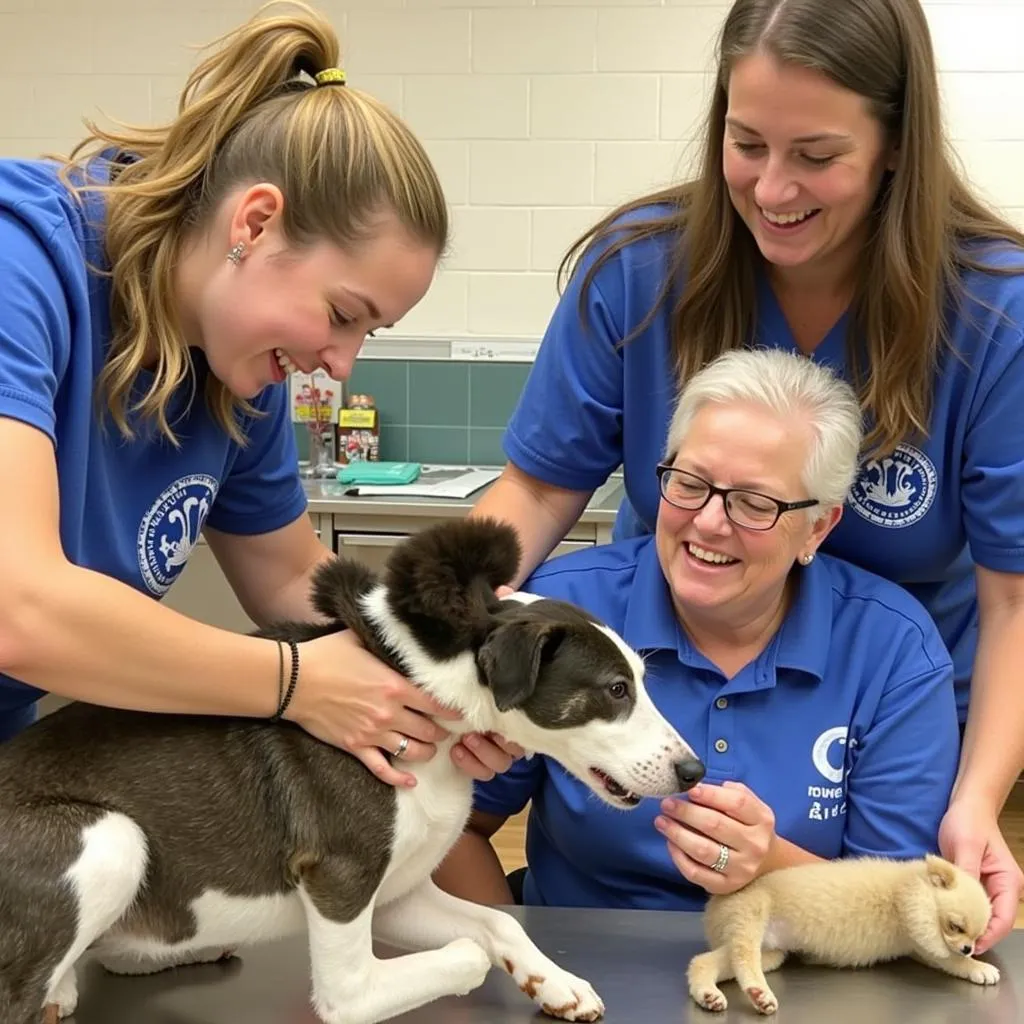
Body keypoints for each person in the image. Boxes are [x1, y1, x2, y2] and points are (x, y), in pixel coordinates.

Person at [469, 0, 1024, 947]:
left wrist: (974, 801)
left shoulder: (992, 314)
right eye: (746, 142)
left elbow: (1013, 600)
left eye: (816, 155)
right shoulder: (642, 273)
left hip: (888, 716)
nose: (771, 188)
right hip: (674, 666)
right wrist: (442, 657)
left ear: (895, 145)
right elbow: (537, 490)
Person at [0, 2, 518, 787]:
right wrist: (297, 685)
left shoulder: (237, 370)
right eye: (342, 315)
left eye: (366, 335)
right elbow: (20, 610)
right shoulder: (21, 265)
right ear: (256, 222)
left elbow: (286, 576)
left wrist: (450, 658)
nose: (339, 365)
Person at [440, 349, 960, 910]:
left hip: (796, 976)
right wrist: (516, 965)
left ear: (817, 528)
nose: (709, 524)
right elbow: (451, 828)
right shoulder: (565, 613)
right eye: (689, 484)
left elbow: (902, 906)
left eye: (754, 503)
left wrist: (773, 865)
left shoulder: (892, 649)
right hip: (577, 968)